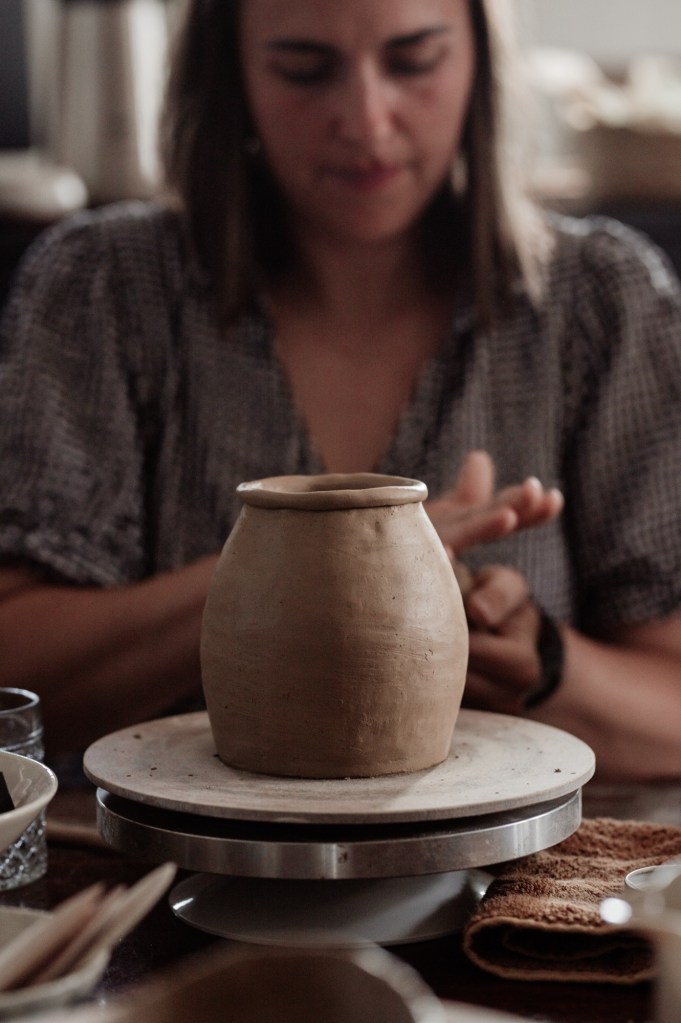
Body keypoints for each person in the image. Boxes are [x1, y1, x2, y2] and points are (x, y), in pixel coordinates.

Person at [0, 0, 679, 778]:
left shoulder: (601, 302)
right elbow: (17, 679)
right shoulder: (104, 288)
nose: (364, 119)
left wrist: (544, 661)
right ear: (231, 76)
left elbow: (669, 706)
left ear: (480, 65)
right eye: (303, 70)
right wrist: (331, 556)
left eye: (413, 61)